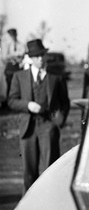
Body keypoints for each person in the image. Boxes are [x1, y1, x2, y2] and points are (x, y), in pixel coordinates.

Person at [7, 39, 70, 192]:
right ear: (30, 58)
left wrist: (58, 122)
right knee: (29, 173)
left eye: (42, 55)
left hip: (48, 126)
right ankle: (28, 209)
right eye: (36, 56)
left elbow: (65, 102)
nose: (40, 59)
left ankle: (51, 204)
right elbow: (11, 101)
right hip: (28, 128)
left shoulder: (56, 77)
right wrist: (28, 105)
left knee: (51, 170)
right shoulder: (19, 77)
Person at [3, 28, 24, 102]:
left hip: (18, 67)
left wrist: (12, 55)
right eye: (11, 35)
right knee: (9, 84)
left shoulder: (20, 44)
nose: (13, 37)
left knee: (17, 84)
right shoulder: (7, 45)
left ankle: (17, 101)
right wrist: (15, 56)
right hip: (10, 67)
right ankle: (9, 101)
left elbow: (22, 54)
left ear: (16, 35)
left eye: (14, 35)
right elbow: (5, 56)